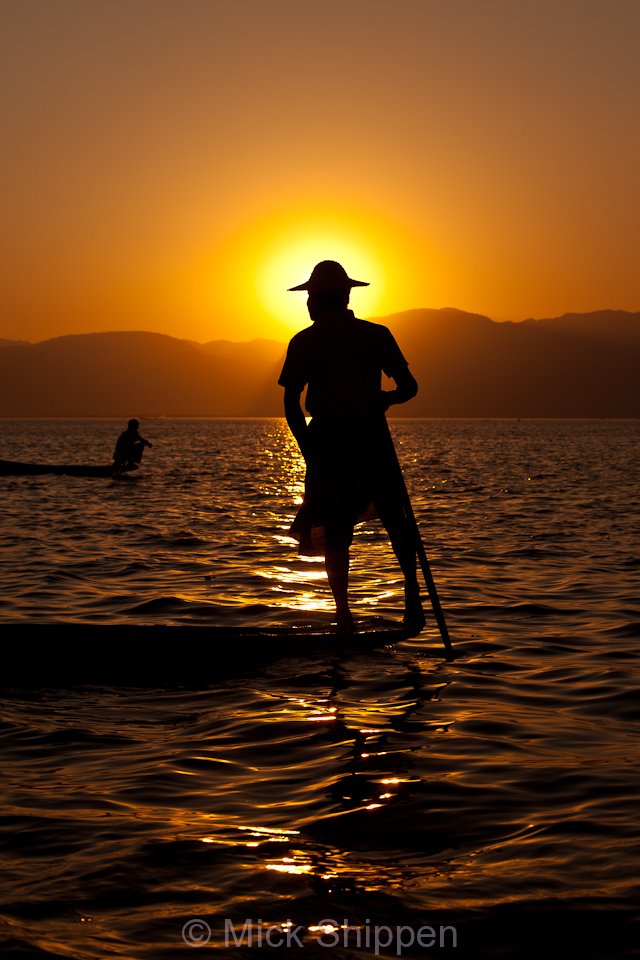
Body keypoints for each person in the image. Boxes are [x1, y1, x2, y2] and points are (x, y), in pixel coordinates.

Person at [278, 259, 425, 635]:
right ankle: (407, 595)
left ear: (320, 299)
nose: (308, 303)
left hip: (336, 442)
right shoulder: (374, 335)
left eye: (311, 296)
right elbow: (409, 388)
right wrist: (386, 399)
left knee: (343, 530)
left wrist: (308, 446)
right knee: (393, 521)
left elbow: (292, 403)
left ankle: (346, 614)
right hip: (360, 438)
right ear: (344, 296)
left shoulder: (308, 341)